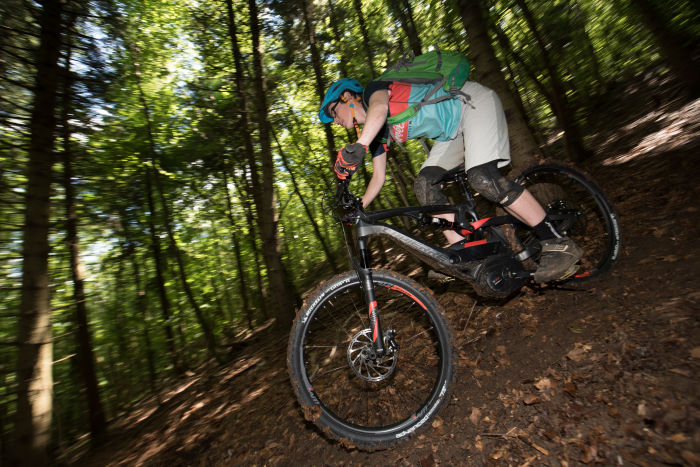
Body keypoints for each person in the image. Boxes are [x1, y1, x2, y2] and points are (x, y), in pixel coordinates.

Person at [319, 77, 582, 282]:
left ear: (347, 97)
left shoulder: (373, 92)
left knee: (482, 177)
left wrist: (360, 145)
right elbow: (378, 178)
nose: (334, 120)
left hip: (472, 104)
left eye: (333, 111)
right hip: (453, 132)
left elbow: (378, 109)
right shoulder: (377, 134)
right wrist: (358, 208)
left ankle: (557, 242)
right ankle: (468, 255)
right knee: (425, 184)